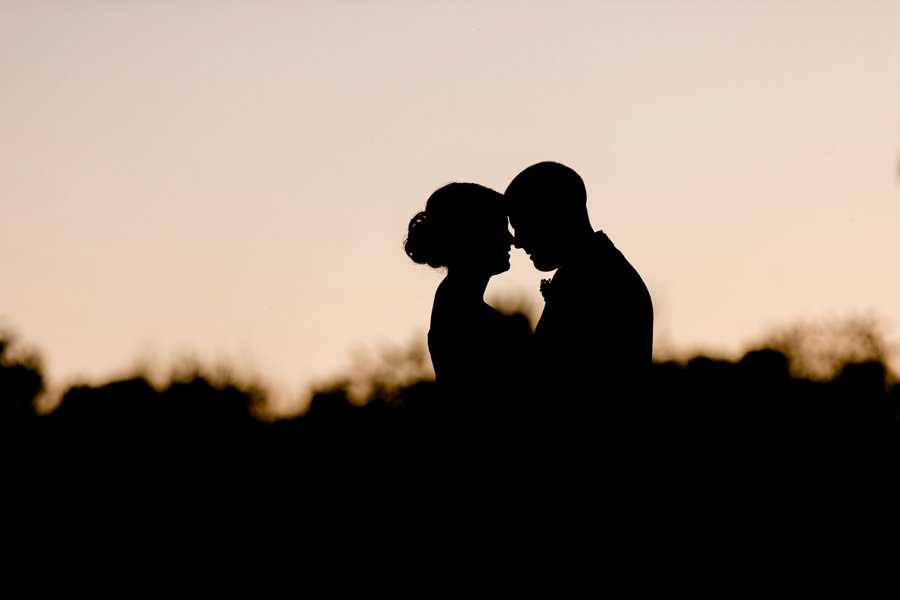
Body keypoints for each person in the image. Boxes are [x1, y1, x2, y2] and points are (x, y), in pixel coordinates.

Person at [505, 161, 654, 446]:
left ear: (555, 215)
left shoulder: (598, 280)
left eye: (523, 224)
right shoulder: (590, 271)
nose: (519, 242)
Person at [404, 182, 533, 456]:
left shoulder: (455, 300)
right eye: (500, 227)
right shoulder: (462, 312)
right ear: (473, 234)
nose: (511, 239)